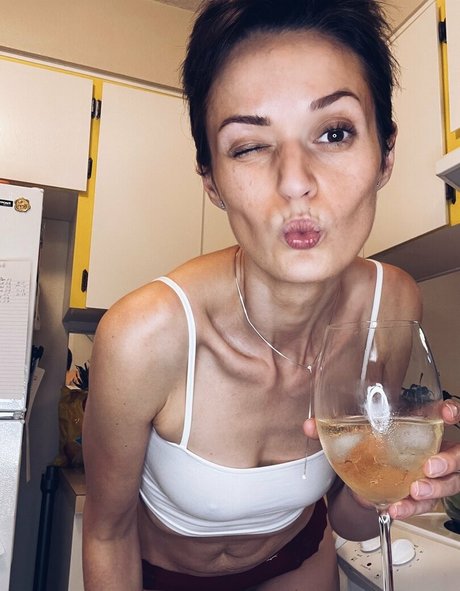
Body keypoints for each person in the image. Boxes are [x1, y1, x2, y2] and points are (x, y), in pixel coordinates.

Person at [82, 1, 460, 590]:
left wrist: (399, 478)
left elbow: (353, 520)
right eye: (249, 146)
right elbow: (107, 532)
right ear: (211, 180)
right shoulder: (145, 335)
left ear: (386, 152)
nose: (295, 181)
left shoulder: (391, 305)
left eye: (334, 133)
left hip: (301, 562)